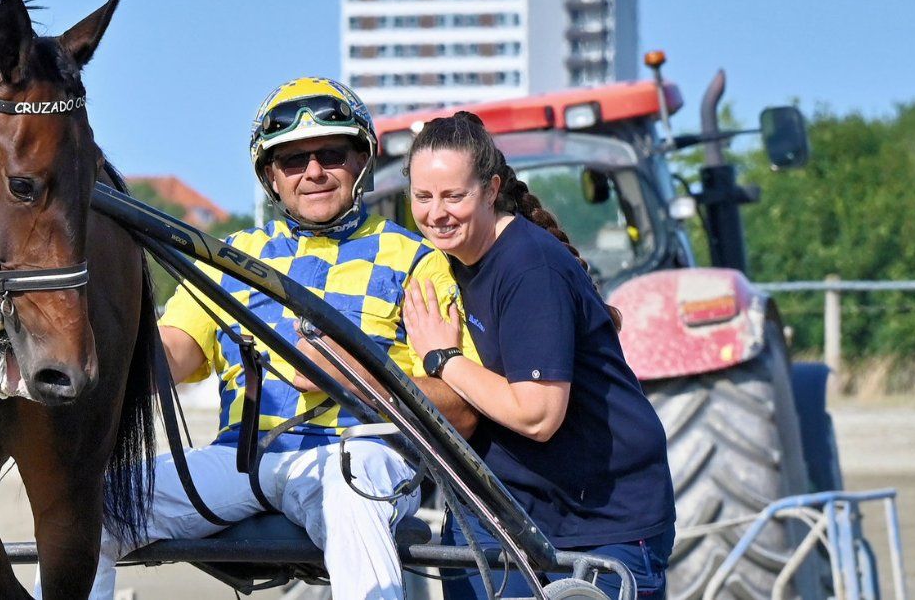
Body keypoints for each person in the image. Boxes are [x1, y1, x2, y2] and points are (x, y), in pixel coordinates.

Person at [77, 78, 480, 600]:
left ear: (361, 162)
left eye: (330, 154)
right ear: (271, 176)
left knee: (352, 489)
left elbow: (464, 413)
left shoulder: (416, 260)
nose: (312, 172)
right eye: (293, 160)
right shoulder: (230, 255)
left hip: (356, 457)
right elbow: (169, 355)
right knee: (90, 509)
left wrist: (349, 374)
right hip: (243, 462)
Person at [399, 112, 676, 599]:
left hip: (597, 521)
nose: (436, 213)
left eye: (453, 196)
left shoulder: (530, 268)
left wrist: (443, 358)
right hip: (495, 509)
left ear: (490, 190)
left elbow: (538, 415)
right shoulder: (441, 264)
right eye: (423, 197)